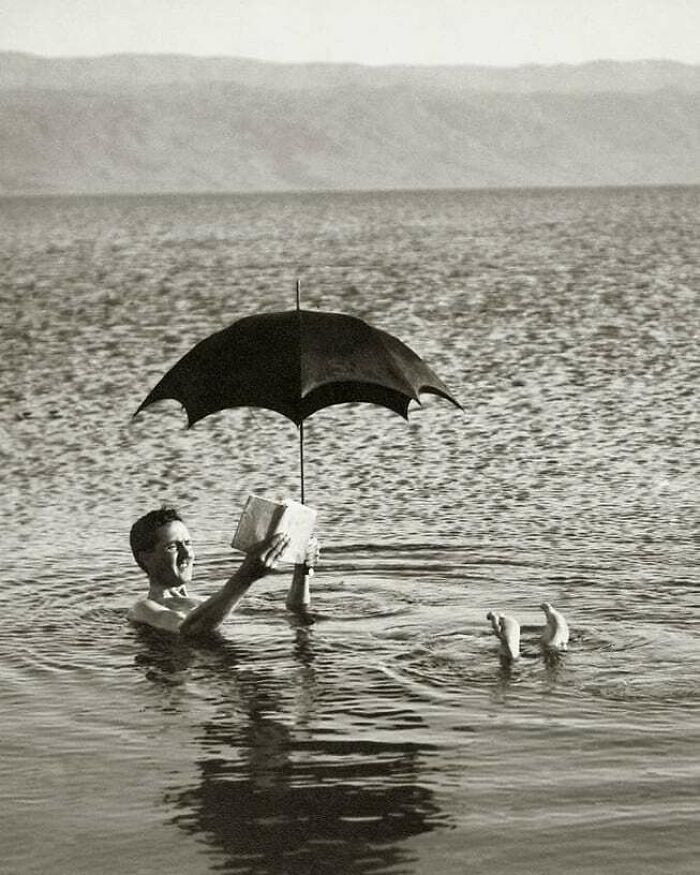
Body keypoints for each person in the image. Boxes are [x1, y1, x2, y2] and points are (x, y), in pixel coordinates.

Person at [128, 505, 317, 636]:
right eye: (172, 547)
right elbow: (188, 629)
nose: (187, 554)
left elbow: (295, 612)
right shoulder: (144, 608)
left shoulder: (209, 601)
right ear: (146, 557)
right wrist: (245, 577)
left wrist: (302, 571)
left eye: (188, 543)